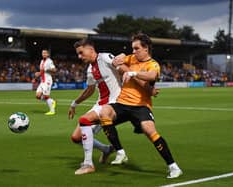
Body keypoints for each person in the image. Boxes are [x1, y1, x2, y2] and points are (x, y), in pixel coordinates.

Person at [99, 33, 183, 179]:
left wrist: (132, 73)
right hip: (122, 103)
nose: (134, 51)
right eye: (132, 48)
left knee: (149, 130)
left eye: (137, 48)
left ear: (146, 49)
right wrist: (120, 57)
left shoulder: (153, 64)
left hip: (141, 106)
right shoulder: (131, 57)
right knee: (104, 112)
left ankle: (173, 167)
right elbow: (117, 60)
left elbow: (151, 76)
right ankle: (120, 152)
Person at [68, 38, 129, 175]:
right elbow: (89, 90)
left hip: (113, 104)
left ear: (90, 49)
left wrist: (134, 77)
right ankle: (106, 149)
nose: (79, 56)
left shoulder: (105, 57)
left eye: (81, 52)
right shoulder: (90, 69)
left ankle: (88, 164)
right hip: (100, 104)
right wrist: (74, 103)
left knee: (84, 120)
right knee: (76, 138)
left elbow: (124, 69)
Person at [35, 49, 57, 115]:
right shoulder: (41, 61)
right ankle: (52, 101)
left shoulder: (49, 61)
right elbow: (42, 71)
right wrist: (38, 73)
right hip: (42, 81)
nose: (43, 54)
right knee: (38, 96)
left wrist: (48, 69)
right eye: (43, 53)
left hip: (47, 80)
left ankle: (52, 111)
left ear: (48, 54)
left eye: (45, 53)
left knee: (46, 96)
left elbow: (54, 70)